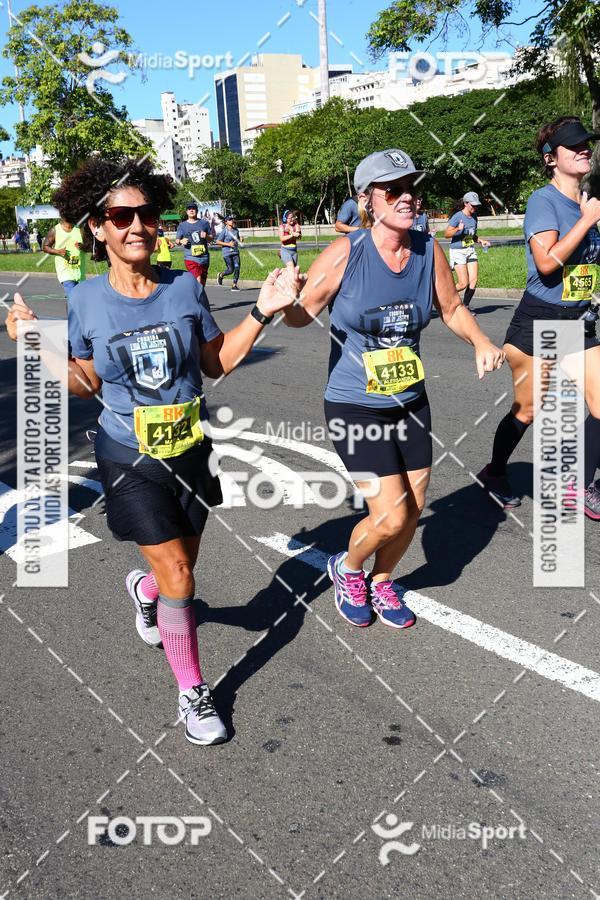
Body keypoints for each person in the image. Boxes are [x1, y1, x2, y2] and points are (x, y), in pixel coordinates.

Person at [5, 157, 295, 745]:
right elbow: (85, 382)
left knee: (179, 571)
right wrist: (35, 342)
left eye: (146, 214)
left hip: (191, 449)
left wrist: (263, 310)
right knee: (181, 574)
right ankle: (193, 690)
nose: (137, 226)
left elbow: (214, 362)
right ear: (97, 227)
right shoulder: (85, 299)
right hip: (126, 455)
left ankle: (145, 593)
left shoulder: (184, 285)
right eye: (120, 216)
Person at [280, 149, 504, 629]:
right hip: (354, 404)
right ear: (367, 200)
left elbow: (452, 308)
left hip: (410, 401)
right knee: (391, 516)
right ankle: (348, 567)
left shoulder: (427, 250)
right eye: (393, 190)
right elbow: (302, 315)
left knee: (415, 506)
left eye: (411, 189)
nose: (407, 198)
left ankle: (382, 581)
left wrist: (482, 340)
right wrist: (287, 298)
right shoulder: (347, 252)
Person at [478, 116, 600, 517]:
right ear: (551, 158)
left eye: (586, 143)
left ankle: (579, 485)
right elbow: (547, 264)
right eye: (573, 145)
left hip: (580, 319)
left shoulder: (586, 204)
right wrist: (586, 221)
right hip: (541, 321)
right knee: (528, 410)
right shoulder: (543, 201)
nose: (584, 149)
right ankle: (495, 472)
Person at [444, 192, 491, 310]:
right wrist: (457, 229)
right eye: (473, 205)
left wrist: (481, 241)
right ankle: (444, 295)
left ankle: (465, 306)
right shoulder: (457, 217)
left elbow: (472, 235)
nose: (475, 207)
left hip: (469, 249)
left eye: (476, 205)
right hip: (458, 251)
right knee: (463, 283)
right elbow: (446, 234)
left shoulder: (474, 217)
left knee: (473, 281)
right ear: (465, 203)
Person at [43, 214, 86, 304]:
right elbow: (45, 247)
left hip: (79, 270)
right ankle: (72, 317)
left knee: (80, 300)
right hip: (65, 270)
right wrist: (58, 251)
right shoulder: (55, 230)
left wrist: (82, 246)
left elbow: (89, 245)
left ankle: (72, 317)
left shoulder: (80, 229)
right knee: (73, 298)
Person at [175, 202, 211, 285]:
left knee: (202, 283)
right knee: (198, 280)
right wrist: (181, 241)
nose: (191, 210)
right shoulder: (182, 225)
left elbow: (212, 238)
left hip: (204, 257)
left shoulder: (204, 223)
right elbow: (177, 240)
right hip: (190, 258)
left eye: (193, 209)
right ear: (187, 212)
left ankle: (197, 297)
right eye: (189, 209)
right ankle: (196, 297)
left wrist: (207, 236)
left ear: (197, 211)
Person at [216, 214, 243, 291]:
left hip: (235, 252)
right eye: (230, 220)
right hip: (227, 253)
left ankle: (234, 285)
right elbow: (218, 241)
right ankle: (221, 275)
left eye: (232, 219)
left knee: (237, 268)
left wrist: (240, 239)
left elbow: (237, 239)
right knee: (230, 270)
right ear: (226, 222)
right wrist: (228, 244)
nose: (232, 221)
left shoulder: (236, 230)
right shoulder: (224, 231)